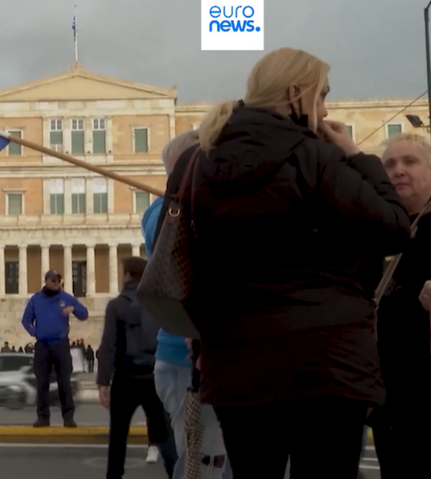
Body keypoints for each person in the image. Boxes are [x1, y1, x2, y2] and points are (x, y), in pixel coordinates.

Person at [168, 47, 410, 478]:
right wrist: (358, 156)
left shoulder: (195, 162)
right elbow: (393, 227)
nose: (325, 109)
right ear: (296, 93)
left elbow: (186, 265)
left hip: (237, 366)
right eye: (322, 96)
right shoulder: (317, 157)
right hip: (326, 363)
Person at [147, 130, 232, 479]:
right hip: (187, 360)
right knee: (203, 462)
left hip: (213, 358)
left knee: (218, 460)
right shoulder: (165, 213)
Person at [366, 132, 431, 478]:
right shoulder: (373, 231)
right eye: (390, 164)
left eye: (410, 162)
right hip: (386, 399)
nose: (399, 171)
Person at [97, 257, 173, 479]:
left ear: (128, 274)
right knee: (164, 436)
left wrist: (103, 381)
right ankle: (177, 474)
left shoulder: (116, 305)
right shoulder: (157, 303)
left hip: (125, 378)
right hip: (154, 378)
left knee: (118, 438)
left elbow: (108, 345)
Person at [21, 269, 89, 428]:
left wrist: (73, 309)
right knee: (42, 383)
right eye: (53, 280)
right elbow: (26, 320)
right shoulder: (36, 300)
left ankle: (68, 417)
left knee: (64, 382)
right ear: (46, 281)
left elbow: (84, 314)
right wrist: (35, 332)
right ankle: (43, 417)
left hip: (60, 345)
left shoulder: (66, 298)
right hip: (43, 346)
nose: (56, 283)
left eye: (58, 281)